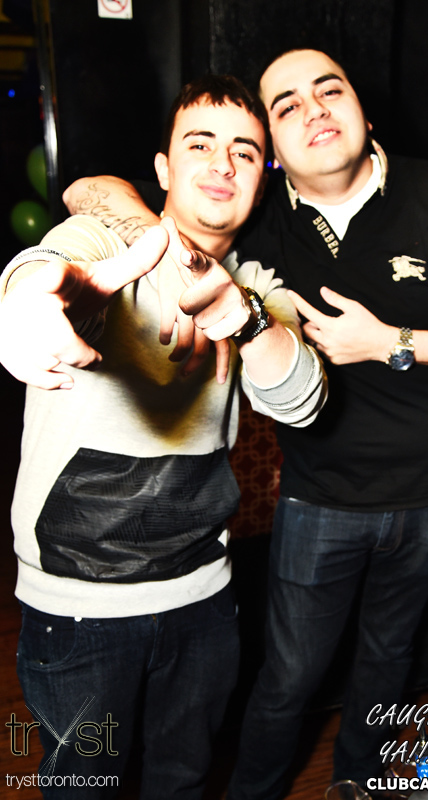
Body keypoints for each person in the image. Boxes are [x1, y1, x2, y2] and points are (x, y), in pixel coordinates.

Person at [62, 50, 428, 797]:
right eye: (286, 105)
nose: (313, 109)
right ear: (275, 153)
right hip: (320, 500)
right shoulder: (253, 215)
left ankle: (355, 781)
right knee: (287, 678)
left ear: (362, 110)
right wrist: (151, 242)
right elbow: (92, 189)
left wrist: (392, 342)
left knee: (390, 656)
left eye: (329, 90)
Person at [0, 74, 326, 799]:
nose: (222, 164)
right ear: (163, 168)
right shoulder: (109, 246)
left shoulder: (258, 286)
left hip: (203, 597)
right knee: (84, 788)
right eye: (200, 144)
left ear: (261, 184)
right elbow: (52, 261)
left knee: (182, 782)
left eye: (245, 152)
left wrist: (244, 318)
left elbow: (303, 400)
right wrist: (25, 298)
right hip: (79, 605)